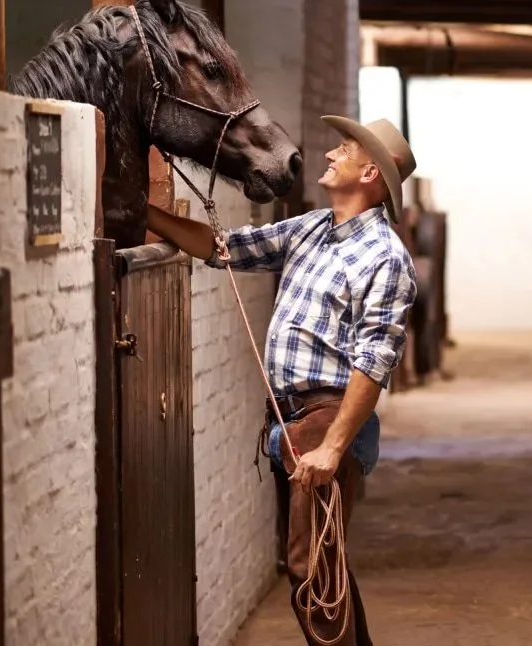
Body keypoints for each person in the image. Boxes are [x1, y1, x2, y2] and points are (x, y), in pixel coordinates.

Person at [146, 115, 418, 645]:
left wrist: (332, 448)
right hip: (293, 421)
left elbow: (373, 362)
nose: (330, 155)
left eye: (344, 149)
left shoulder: (385, 257)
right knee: (323, 564)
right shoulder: (313, 228)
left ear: (369, 175)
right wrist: (146, 213)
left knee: (310, 571)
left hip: (326, 419)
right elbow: (223, 246)